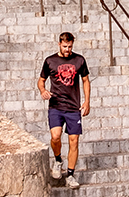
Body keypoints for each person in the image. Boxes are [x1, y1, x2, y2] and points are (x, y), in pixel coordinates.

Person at [38, 31, 90, 189]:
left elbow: (86, 80)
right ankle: (58, 159)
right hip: (56, 106)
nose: (67, 49)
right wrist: (43, 91)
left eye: (70, 46)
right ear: (59, 44)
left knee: (74, 141)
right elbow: (41, 81)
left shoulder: (79, 60)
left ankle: (71, 174)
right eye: (65, 46)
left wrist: (87, 102)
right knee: (55, 136)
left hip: (74, 107)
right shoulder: (50, 61)